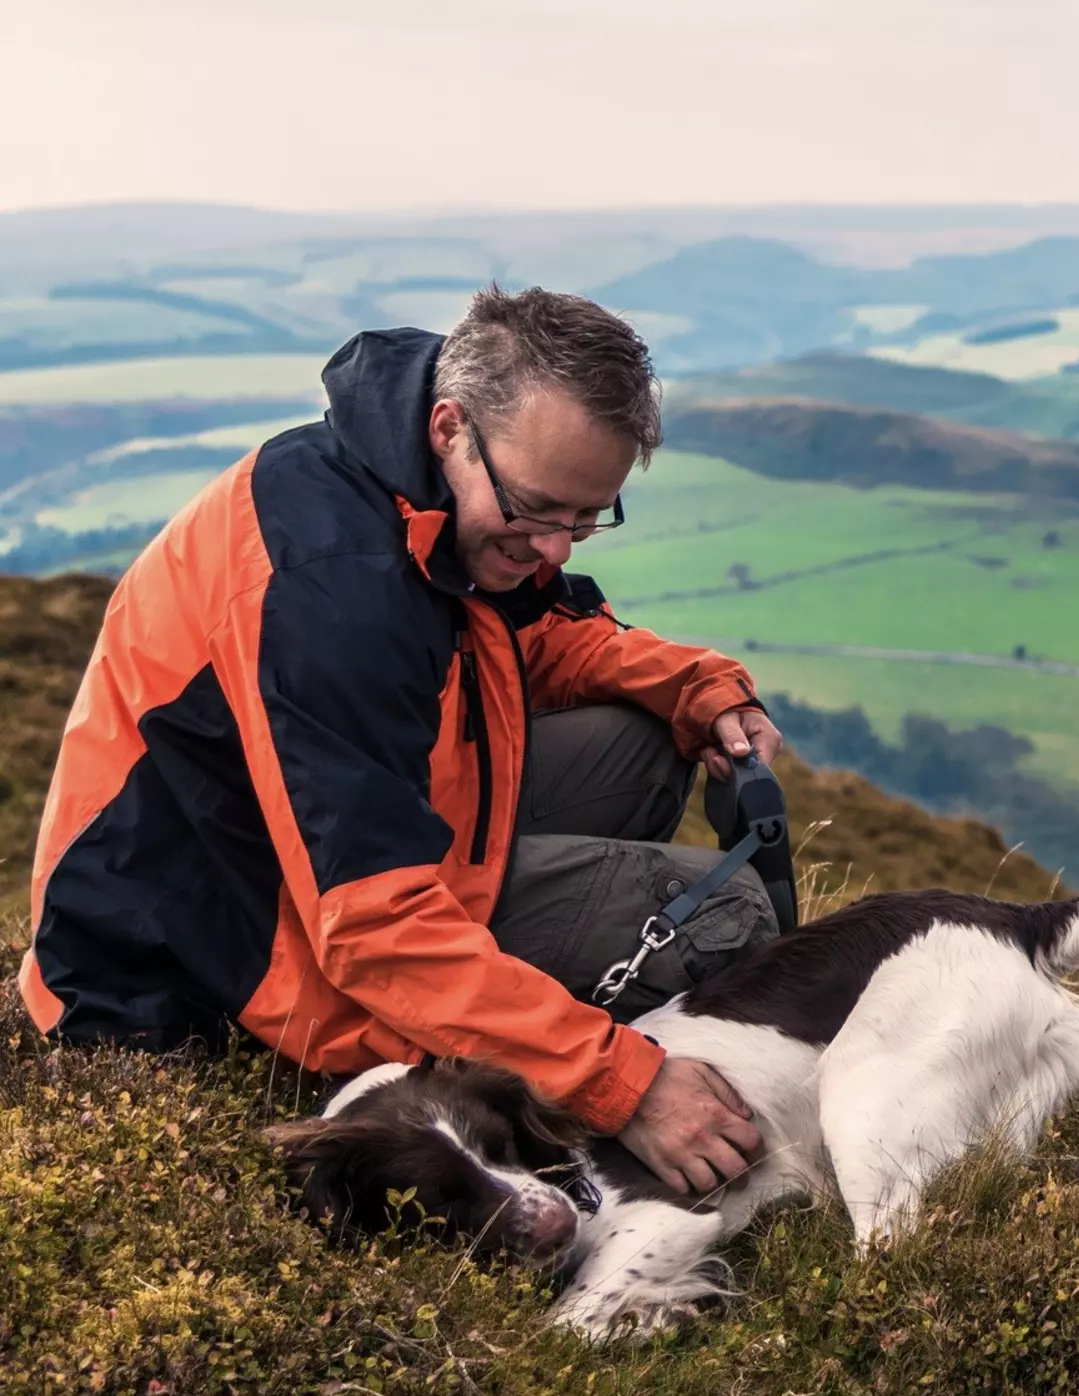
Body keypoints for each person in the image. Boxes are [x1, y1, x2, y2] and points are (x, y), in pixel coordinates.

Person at [17, 285, 779, 1195]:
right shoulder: (329, 583)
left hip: (323, 859)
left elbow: (530, 634)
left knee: (640, 739)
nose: (558, 550)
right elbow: (373, 926)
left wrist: (690, 683)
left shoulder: (429, 490)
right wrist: (627, 1085)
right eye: (540, 511)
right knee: (730, 919)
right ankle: (579, 1081)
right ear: (452, 426)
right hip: (207, 955)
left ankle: (525, 1006)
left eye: (588, 516)